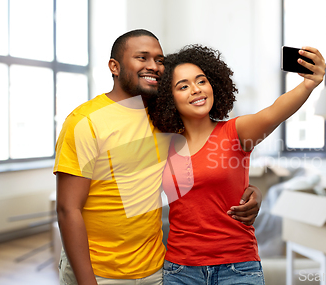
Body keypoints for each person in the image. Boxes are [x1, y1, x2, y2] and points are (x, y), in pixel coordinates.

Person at [54, 29, 262, 285]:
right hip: (98, 272)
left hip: (155, 270)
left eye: (159, 60)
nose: (153, 66)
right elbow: (67, 209)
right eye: (142, 58)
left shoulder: (163, 120)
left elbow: (207, 166)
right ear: (114, 66)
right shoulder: (84, 121)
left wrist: (251, 191)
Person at [147, 44, 326, 284]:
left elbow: (274, 112)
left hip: (237, 268)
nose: (196, 90)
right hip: (181, 271)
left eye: (201, 81)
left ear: (213, 85)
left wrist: (308, 84)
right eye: (183, 86)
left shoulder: (235, 132)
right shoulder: (163, 143)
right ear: (169, 97)